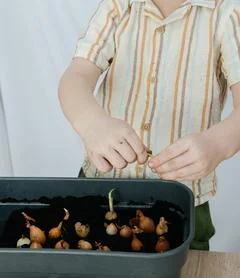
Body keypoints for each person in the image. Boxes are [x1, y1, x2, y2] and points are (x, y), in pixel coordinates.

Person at [58, 0, 240, 251]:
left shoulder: (226, 13)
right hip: (101, 188)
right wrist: (91, 123)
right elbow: (75, 75)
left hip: (185, 200)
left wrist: (219, 144)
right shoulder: (119, 6)